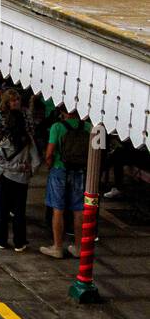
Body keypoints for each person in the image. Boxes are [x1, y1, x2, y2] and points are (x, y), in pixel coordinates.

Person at [40, 106, 91, 258]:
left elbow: (49, 153)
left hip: (59, 169)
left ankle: (57, 247)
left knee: (58, 208)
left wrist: (49, 164)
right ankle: (78, 247)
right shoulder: (88, 127)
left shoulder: (57, 127)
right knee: (78, 210)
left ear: (63, 111)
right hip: (79, 170)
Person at [0, 108, 38, 252]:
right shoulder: (27, 139)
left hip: (4, 177)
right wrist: (27, 172)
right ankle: (19, 242)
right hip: (21, 180)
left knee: (1, 210)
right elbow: (36, 160)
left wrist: (9, 167)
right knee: (19, 212)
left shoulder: (0, 137)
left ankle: (0, 240)